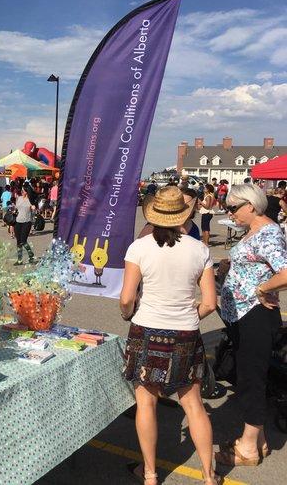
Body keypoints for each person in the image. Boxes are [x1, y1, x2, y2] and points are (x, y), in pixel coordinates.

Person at [120, 186, 219, 485]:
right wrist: (189, 316)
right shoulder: (200, 250)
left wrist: (127, 313)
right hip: (186, 333)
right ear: (183, 215)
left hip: (146, 329)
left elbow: (127, 298)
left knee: (146, 403)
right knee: (194, 405)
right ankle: (209, 475)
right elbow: (210, 303)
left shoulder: (139, 248)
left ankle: (150, 474)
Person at [216, 184, 287, 467]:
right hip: (242, 315)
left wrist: (262, 289)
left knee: (251, 380)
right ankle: (260, 440)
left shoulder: (268, 232)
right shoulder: (254, 231)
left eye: (233, 207)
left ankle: (247, 448)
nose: (229, 212)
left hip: (254, 315)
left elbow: (285, 272)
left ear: (251, 206)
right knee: (249, 376)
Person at [13, 189, 35, 265]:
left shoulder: (30, 200)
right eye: (21, 191)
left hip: (27, 222)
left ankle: (30, 254)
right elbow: (16, 208)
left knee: (23, 241)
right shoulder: (19, 198)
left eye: (24, 191)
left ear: (27, 191)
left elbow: (34, 210)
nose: (22, 192)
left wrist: (33, 208)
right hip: (17, 222)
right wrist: (14, 211)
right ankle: (19, 260)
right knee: (18, 241)